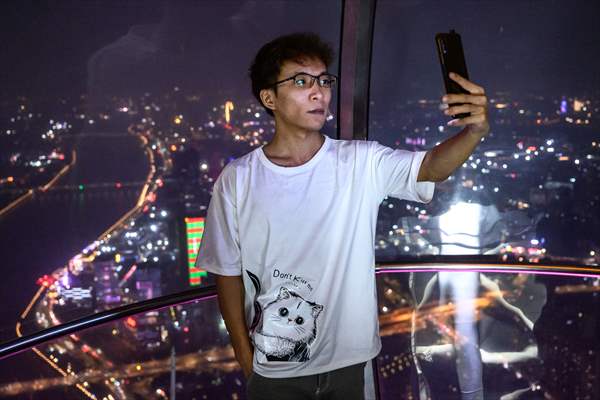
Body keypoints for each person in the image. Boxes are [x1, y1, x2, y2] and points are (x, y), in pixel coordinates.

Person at [195, 32, 490, 400]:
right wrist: (244, 353)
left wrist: (475, 131)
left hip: (350, 363)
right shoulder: (238, 179)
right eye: (301, 81)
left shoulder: (360, 162)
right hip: (275, 367)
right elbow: (225, 271)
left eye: (323, 80)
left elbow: (431, 167)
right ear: (268, 98)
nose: (319, 92)